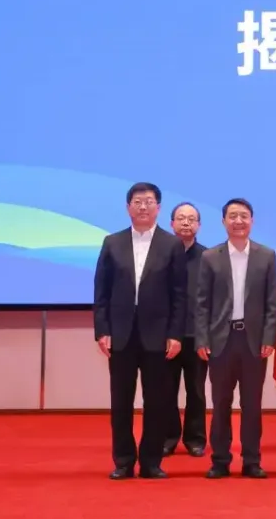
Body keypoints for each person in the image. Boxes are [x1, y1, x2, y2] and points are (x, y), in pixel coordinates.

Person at [93, 182, 187, 480]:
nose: (143, 206)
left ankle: (151, 461)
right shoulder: (112, 242)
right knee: (121, 401)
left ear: (158, 207)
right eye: (137, 201)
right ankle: (123, 460)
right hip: (120, 334)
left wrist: (175, 334)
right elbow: (101, 292)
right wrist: (102, 330)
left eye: (148, 201)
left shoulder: (171, 244)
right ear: (128, 207)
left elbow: (180, 295)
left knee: (156, 402)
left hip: (158, 335)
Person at [194, 198, 276, 479]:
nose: (238, 221)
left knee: (252, 405)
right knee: (220, 403)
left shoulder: (266, 255)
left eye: (244, 216)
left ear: (252, 220)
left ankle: (252, 460)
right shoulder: (210, 257)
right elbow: (202, 303)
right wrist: (202, 339)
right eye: (233, 216)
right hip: (221, 340)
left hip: (254, 341)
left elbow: (272, 302)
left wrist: (270, 337)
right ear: (223, 221)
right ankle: (220, 460)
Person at [164, 202, 208, 457]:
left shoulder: (208, 257)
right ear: (172, 223)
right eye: (181, 218)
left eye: (191, 219)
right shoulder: (161, 254)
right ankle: (167, 437)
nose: (186, 223)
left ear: (199, 225)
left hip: (197, 336)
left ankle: (195, 439)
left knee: (197, 391)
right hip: (166, 335)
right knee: (165, 390)